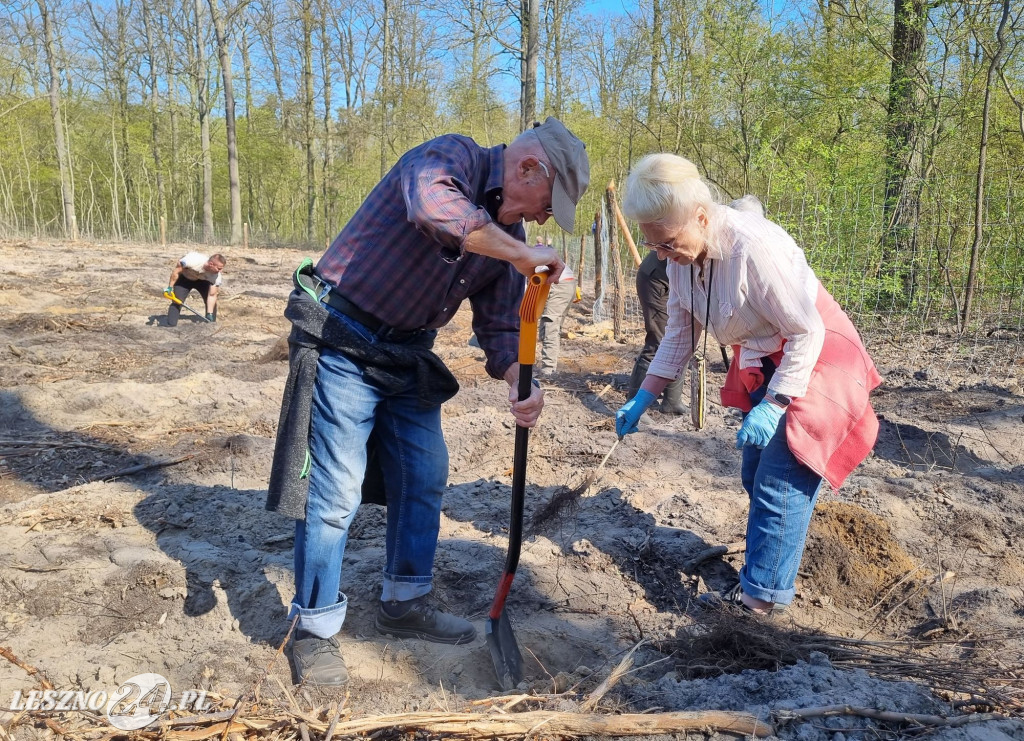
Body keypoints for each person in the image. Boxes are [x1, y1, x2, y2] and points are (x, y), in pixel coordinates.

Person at [267, 118, 590, 685]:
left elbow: (497, 329)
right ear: (528, 168)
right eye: (549, 202)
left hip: (406, 354)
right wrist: (517, 251)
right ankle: (313, 629)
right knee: (337, 486)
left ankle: (404, 603)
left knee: (425, 471)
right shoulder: (452, 158)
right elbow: (433, 209)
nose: (544, 218)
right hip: (342, 336)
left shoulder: (504, 238)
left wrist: (519, 377)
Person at [615, 154, 881, 615]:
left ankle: (758, 603)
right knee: (754, 474)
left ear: (700, 216)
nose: (662, 254)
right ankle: (777, 554)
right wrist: (644, 395)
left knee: (780, 479)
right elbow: (680, 332)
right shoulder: (680, 258)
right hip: (764, 357)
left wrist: (775, 404)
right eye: (653, 245)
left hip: (815, 356)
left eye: (669, 242)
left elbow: (807, 331)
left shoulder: (751, 247)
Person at [628, 197, 765, 414]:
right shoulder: (695, 244)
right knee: (659, 340)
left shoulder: (749, 251)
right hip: (655, 280)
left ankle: (671, 402)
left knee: (681, 340)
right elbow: (679, 334)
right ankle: (636, 399)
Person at [537, 237, 578, 376]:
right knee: (548, 326)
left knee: (550, 325)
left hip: (560, 285)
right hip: (565, 283)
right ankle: (548, 363)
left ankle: (548, 370)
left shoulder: (519, 263)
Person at [166, 252, 226, 325]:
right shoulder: (192, 260)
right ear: (211, 264)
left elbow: (212, 295)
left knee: (212, 304)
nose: (220, 271)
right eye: (219, 268)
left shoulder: (216, 277)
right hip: (184, 279)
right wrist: (169, 287)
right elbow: (176, 272)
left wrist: (209, 313)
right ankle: (170, 326)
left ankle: (211, 324)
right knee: (177, 301)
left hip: (203, 281)